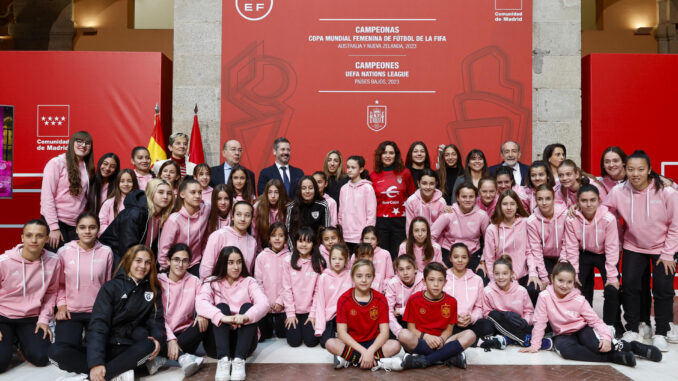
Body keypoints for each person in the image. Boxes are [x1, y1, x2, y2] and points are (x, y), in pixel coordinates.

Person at [48, 245, 164, 381]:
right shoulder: (111, 287)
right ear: (128, 261)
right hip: (103, 345)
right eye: (138, 261)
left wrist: (157, 338)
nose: (143, 266)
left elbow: (156, 319)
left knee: (150, 345)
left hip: (127, 348)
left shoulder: (153, 289)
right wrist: (96, 362)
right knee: (54, 351)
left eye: (147, 262)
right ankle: (113, 373)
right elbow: (98, 325)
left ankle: (93, 377)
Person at [603, 150, 678, 350]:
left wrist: (669, 253)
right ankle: (634, 328)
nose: (635, 174)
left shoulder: (667, 192)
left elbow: (676, 223)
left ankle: (661, 331)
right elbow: (604, 211)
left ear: (649, 170)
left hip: (663, 247)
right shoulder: (619, 191)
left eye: (640, 169)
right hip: (633, 245)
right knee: (630, 286)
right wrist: (578, 210)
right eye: (631, 169)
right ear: (625, 170)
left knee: (662, 288)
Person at [520, 261, 662, 367]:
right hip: (563, 334)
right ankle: (614, 358)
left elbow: (595, 321)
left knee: (596, 345)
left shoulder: (579, 300)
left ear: (574, 282)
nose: (564, 285)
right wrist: (535, 345)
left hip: (583, 329)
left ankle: (631, 347)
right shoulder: (545, 297)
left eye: (569, 282)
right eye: (560, 280)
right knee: (566, 351)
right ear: (552, 279)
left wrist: (606, 337)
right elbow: (540, 323)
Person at [196, 246, 268, 381]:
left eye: (239, 262)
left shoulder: (249, 281)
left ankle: (239, 362)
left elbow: (264, 303)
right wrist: (223, 317)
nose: (236, 267)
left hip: (244, 344)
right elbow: (200, 303)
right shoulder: (212, 281)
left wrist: (246, 316)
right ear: (223, 263)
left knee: (248, 307)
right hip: (217, 345)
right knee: (221, 306)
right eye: (231, 262)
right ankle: (223, 361)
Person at [0, 220, 60, 373]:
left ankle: (20, 341)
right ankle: (10, 341)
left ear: (47, 239)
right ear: (22, 238)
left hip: (31, 317)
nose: (34, 240)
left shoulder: (54, 261)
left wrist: (44, 319)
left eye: (39, 236)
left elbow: (51, 292)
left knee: (41, 358)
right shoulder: (4, 262)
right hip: (3, 316)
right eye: (29, 235)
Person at [51, 212, 112, 354]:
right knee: (64, 352)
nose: (87, 231)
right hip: (71, 312)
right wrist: (61, 306)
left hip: (96, 311)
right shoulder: (64, 251)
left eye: (92, 227)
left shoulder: (106, 252)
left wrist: (106, 311)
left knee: (96, 351)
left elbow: (108, 285)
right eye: (83, 227)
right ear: (76, 229)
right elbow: (59, 284)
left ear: (98, 229)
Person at [326, 259, 403, 371]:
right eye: (359, 276)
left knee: (395, 345)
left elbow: (385, 333)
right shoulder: (343, 299)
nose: (364, 280)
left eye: (368, 276)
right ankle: (379, 362)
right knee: (330, 343)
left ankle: (350, 359)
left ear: (373, 277)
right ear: (352, 278)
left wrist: (370, 351)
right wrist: (364, 352)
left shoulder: (380, 299)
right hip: (353, 344)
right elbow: (342, 333)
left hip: (374, 343)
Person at [561, 184, 620, 328]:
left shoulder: (608, 219)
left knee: (612, 288)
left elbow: (612, 248)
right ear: (578, 202)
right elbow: (572, 247)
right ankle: (585, 323)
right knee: (578, 285)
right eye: (584, 200)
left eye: (592, 200)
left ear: (599, 200)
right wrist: (574, 272)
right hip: (584, 254)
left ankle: (610, 325)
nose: (588, 204)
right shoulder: (572, 219)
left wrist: (612, 275)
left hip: (604, 254)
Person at [399, 262, 476, 370]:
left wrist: (441, 340)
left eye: (440, 280)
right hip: (421, 340)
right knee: (403, 335)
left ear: (445, 282)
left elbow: (449, 330)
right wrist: (426, 337)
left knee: (470, 335)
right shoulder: (414, 299)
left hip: (443, 342)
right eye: (431, 280)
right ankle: (447, 357)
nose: (436, 284)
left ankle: (425, 360)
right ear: (424, 281)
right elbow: (411, 329)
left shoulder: (451, 301)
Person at [153, 244, 206, 377]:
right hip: (163, 333)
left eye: (185, 260)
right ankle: (182, 357)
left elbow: (203, 301)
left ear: (189, 263)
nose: (180, 264)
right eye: (176, 259)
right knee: (151, 326)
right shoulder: (158, 281)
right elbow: (157, 316)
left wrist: (201, 313)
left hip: (185, 335)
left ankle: (163, 357)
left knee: (203, 321)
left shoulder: (194, 281)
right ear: (168, 261)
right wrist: (170, 339)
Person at [99, 179, 174, 272]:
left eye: (169, 193)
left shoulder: (160, 217)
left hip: (136, 259)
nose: (165, 196)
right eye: (160, 192)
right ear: (151, 193)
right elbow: (127, 248)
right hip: (115, 258)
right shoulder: (135, 213)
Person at [482, 189, 541, 305]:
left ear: (517, 206)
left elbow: (529, 252)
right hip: (502, 277)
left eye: (512, 204)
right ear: (499, 206)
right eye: (505, 204)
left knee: (534, 289)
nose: (509, 208)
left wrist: (533, 273)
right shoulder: (492, 229)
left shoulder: (525, 223)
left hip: (522, 275)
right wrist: (495, 280)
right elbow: (489, 259)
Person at [480, 255, 549, 349]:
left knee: (539, 325)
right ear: (493, 274)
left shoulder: (521, 291)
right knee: (493, 315)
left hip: (518, 324)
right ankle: (524, 340)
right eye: (497, 274)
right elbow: (486, 313)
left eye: (505, 273)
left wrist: (525, 321)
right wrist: (504, 314)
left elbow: (530, 312)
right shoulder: (487, 291)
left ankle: (508, 339)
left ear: (511, 274)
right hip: (500, 326)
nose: (500, 277)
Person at [41, 131, 95, 250]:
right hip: (56, 222)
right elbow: (47, 196)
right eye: (79, 141)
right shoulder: (56, 163)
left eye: (87, 143)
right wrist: (54, 227)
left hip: (75, 225)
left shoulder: (87, 167)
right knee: (55, 262)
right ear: (71, 143)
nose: (83, 145)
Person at [282, 227, 326, 348]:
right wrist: (290, 314)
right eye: (301, 241)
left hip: (310, 310)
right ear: (295, 242)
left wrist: (313, 314)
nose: (304, 245)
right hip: (294, 310)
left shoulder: (319, 263)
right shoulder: (288, 261)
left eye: (308, 241)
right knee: (294, 342)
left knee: (311, 342)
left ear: (313, 244)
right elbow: (287, 289)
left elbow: (318, 292)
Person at [371, 141, 416, 259]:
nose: (387, 156)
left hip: (400, 220)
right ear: (379, 155)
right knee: (382, 255)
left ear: (396, 155)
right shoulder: (373, 175)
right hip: (381, 221)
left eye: (391, 153)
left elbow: (413, 197)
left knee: (399, 255)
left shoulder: (405, 173)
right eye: (384, 153)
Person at [431, 182, 489, 270]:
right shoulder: (449, 213)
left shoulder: (482, 216)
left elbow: (488, 241)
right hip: (448, 252)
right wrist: (438, 259)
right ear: (457, 197)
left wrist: (483, 261)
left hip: (472, 253)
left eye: (471, 197)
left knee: (481, 277)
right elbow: (431, 236)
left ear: (476, 198)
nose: (468, 200)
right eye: (464, 196)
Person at [443, 243, 495, 342]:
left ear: (468, 259)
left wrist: (471, 318)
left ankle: (458, 339)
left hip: (469, 323)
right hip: (450, 322)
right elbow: (438, 304)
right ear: (450, 258)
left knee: (488, 326)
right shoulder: (443, 277)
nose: (460, 260)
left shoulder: (477, 279)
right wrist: (453, 318)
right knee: (438, 326)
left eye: (464, 257)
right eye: (456, 257)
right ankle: (474, 341)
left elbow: (479, 307)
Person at [158, 178, 210, 276]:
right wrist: (167, 270)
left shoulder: (205, 209)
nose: (197, 196)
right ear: (182, 194)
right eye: (193, 192)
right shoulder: (174, 220)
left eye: (199, 192)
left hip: (195, 263)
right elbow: (163, 251)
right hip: (175, 266)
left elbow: (220, 201)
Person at [311, 244, 353, 347]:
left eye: (340, 259)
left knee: (349, 340)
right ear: (329, 260)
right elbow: (320, 303)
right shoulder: (324, 277)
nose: (337, 262)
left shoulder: (350, 275)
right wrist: (320, 327)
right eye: (334, 258)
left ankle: (342, 336)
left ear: (346, 261)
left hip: (345, 316)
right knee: (325, 343)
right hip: (329, 316)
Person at [254, 223, 290, 341]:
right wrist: (265, 302)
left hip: (282, 306)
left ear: (285, 238)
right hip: (266, 305)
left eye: (281, 235)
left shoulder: (290, 257)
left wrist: (280, 301)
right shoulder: (261, 257)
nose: (277, 238)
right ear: (269, 238)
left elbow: (290, 284)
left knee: (282, 334)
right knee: (265, 336)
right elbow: (258, 282)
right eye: (274, 235)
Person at [201, 201, 256, 278]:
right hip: (218, 285)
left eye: (247, 215)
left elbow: (248, 272)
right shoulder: (218, 235)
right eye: (238, 214)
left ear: (251, 219)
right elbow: (206, 267)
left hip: (241, 287)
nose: (242, 219)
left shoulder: (252, 242)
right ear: (232, 216)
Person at [526, 184, 566, 284]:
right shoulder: (532, 221)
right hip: (544, 257)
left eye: (548, 198)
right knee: (543, 286)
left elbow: (568, 243)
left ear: (553, 199)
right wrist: (544, 277)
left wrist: (562, 261)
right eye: (540, 199)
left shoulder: (565, 215)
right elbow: (536, 250)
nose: (544, 203)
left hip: (564, 256)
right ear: (536, 200)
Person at [338, 155, 376, 252]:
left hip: (361, 236)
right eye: (348, 167)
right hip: (346, 236)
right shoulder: (343, 189)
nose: (349, 170)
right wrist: (341, 232)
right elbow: (341, 213)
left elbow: (371, 214)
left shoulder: (367, 188)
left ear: (361, 169)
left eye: (353, 167)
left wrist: (367, 235)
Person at [385, 255, 425, 338]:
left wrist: (401, 310)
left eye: (408, 268)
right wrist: (398, 331)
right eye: (401, 269)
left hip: (419, 318)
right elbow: (389, 311)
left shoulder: (423, 280)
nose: (405, 273)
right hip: (399, 320)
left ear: (415, 268)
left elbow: (425, 305)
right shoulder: (392, 283)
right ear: (397, 272)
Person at [285, 176, 331, 248]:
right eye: (304, 188)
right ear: (299, 190)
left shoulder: (323, 205)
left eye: (310, 188)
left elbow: (326, 231)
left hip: (317, 249)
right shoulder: (291, 207)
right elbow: (288, 233)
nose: (307, 191)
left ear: (315, 189)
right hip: (297, 249)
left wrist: (320, 251)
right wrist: (294, 251)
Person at [404, 168, 446, 233]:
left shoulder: (441, 202)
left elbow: (441, 228)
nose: (428, 187)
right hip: (416, 239)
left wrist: (432, 242)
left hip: (436, 240)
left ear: (436, 184)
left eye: (431, 184)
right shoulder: (411, 201)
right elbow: (409, 226)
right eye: (424, 183)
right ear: (418, 183)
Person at [98, 169, 139, 234]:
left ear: (134, 183)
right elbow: (101, 224)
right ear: (118, 183)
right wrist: (115, 232)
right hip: (111, 240)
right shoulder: (109, 203)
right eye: (122, 181)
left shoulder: (139, 203)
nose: (126, 184)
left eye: (129, 181)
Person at [253, 179, 289, 250]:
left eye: (276, 192)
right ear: (266, 193)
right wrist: (258, 250)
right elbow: (255, 232)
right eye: (270, 192)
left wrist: (285, 250)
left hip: (282, 246)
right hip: (263, 246)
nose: (273, 196)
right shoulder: (258, 207)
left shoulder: (286, 207)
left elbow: (288, 232)